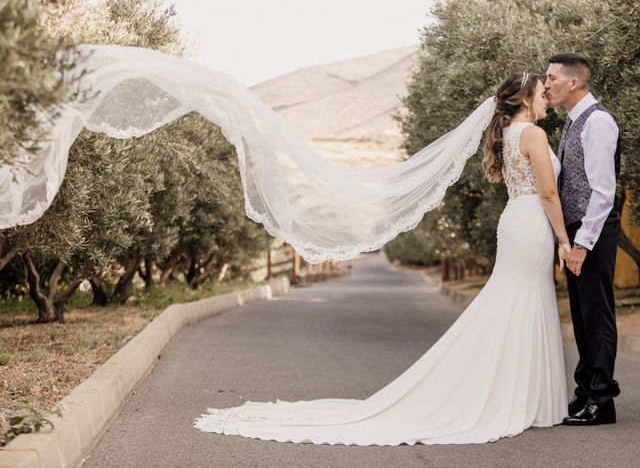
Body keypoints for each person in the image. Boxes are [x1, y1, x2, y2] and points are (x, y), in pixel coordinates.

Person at [191, 72, 572, 445]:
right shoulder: (533, 133)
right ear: (524, 100)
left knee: (516, 303)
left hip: (517, 224)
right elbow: (549, 194)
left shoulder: (508, 134)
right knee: (521, 302)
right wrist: (564, 240)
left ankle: (520, 396)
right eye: (541, 94)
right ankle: (523, 399)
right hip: (531, 226)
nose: (546, 101)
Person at [544, 52, 621, 426]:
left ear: (573, 82)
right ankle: (585, 392)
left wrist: (581, 244)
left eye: (552, 77)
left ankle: (601, 400)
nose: (546, 85)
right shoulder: (573, 123)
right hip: (578, 230)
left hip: (593, 230)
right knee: (581, 315)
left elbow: (603, 192)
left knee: (597, 314)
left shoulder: (598, 122)